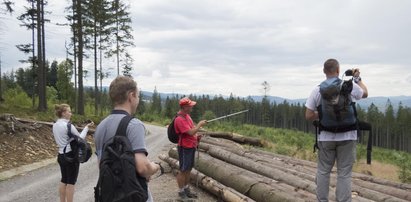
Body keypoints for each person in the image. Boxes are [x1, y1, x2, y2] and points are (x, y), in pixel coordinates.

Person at [305, 58, 368, 202]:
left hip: (326, 136)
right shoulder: (349, 85)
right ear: (338, 71)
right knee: (344, 174)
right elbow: (365, 93)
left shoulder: (317, 90)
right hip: (348, 136)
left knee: (323, 171)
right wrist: (357, 78)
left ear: (324, 71)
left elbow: (308, 115)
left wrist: (321, 114)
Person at [94, 76, 160, 202]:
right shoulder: (134, 125)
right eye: (138, 96)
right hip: (132, 195)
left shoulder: (100, 127)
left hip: (109, 194)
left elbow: (101, 164)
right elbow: (142, 167)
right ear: (131, 96)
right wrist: (154, 167)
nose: (138, 100)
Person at [52, 104, 93, 202]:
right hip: (70, 156)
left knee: (64, 180)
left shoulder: (55, 125)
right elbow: (80, 138)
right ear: (63, 113)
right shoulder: (68, 126)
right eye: (69, 111)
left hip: (61, 155)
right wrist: (87, 127)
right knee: (71, 182)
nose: (71, 113)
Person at [174, 97, 208, 200]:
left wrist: (197, 136)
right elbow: (190, 132)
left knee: (188, 169)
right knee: (183, 170)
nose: (192, 107)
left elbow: (192, 130)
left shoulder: (187, 116)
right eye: (190, 106)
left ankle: (186, 189)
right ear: (184, 107)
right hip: (184, 147)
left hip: (191, 146)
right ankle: (181, 193)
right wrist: (199, 125)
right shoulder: (179, 119)